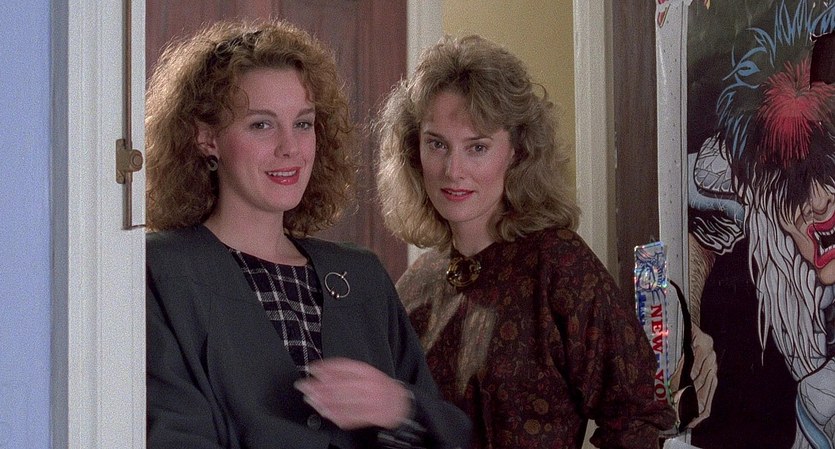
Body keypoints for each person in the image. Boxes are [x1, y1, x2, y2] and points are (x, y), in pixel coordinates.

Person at [144, 18, 471, 449]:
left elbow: (453, 436)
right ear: (207, 138)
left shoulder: (361, 276)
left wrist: (401, 407)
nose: (290, 148)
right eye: (261, 125)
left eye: (303, 123)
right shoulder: (163, 271)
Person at [375, 34, 676, 449]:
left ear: (516, 152)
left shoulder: (560, 266)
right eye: (437, 144)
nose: (453, 170)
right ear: (415, 151)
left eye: (477, 147)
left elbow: (639, 416)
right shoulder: (415, 285)